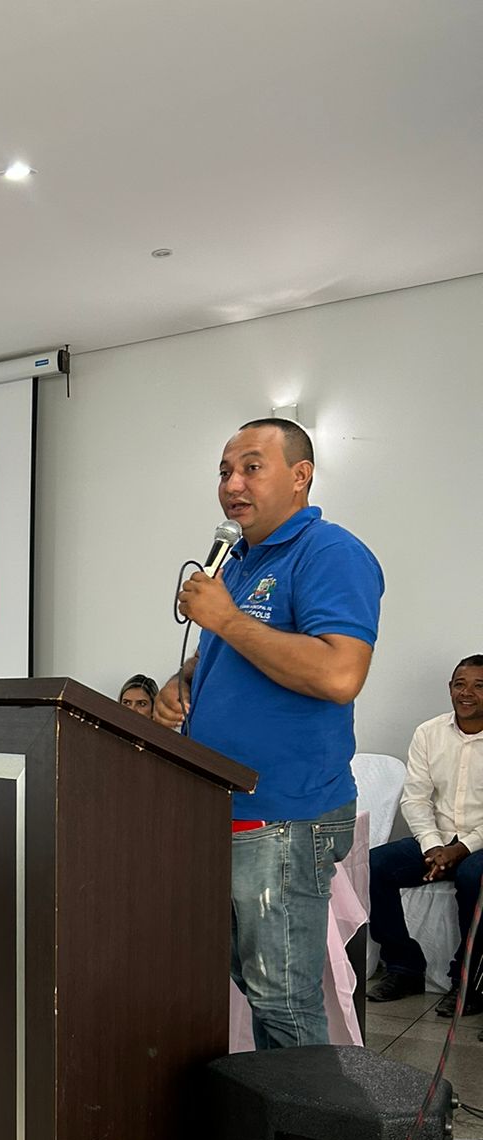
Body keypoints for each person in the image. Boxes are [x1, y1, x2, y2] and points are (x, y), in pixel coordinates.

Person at [154, 418, 384, 1051]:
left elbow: (339, 673)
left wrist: (225, 620)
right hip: (224, 808)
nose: (233, 484)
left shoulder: (330, 553)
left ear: (301, 475)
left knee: (282, 1000)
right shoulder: (238, 561)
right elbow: (242, 654)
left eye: (251, 467)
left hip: (285, 814)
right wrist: (186, 679)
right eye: (225, 471)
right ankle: (272, 1135)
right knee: (258, 986)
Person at [366, 656, 483, 1018]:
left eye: (479, 685)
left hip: (478, 845)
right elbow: (415, 798)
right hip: (438, 839)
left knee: (471, 875)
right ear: (450, 688)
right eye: (459, 684)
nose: (467, 693)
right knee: (376, 865)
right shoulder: (429, 732)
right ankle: (404, 968)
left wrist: (461, 849)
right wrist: (434, 846)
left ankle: (467, 982)